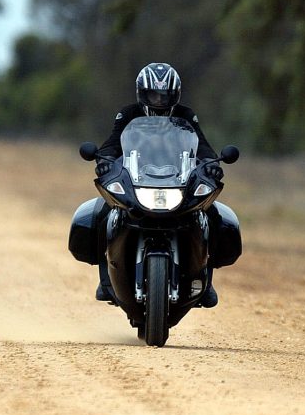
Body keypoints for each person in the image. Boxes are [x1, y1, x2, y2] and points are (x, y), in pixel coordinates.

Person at [94, 62, 223, 307]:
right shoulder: (128, 114)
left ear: (175, 95)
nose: (160, 101)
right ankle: (105, 280)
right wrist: (104, 162)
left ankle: (206, 279)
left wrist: (211, 164)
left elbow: (204, 148)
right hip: (138, 180)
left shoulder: (186, 116)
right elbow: (110, 146)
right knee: (103, 212)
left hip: (178, 181)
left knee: (212, 214)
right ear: (142, 93)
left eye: (165, 95)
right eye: (154, 94)